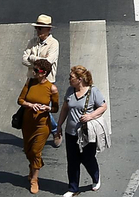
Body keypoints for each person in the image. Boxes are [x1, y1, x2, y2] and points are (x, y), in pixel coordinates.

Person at [54, 65, 109, 195]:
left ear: (80, 79)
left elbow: (103, 106)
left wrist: (90, 116)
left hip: (86, 134)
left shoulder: (93, 91)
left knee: (87, 158)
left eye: (71, 77)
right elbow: (65, 108)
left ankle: (96, 177)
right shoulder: (70, 91)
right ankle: (73, 188)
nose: (69, 79)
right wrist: (59, 125)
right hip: (71, 133)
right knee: (72, 161)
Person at [17, 58, 59, 194]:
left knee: (36, 151)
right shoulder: (30, 82)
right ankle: (33, 167)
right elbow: (20, 100)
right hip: (27, 123)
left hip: (42, 125)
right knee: (28, 150)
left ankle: (34, 179)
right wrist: (30, 105)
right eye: (33, 69)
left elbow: (55, 109)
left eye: (36, 70)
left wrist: (48, 108)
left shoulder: (52, 88)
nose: (33, 72)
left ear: (44, 72)